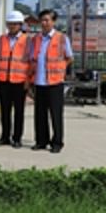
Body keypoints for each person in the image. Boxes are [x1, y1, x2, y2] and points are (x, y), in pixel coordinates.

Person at [30, 9, 73, 153]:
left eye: (47, 20)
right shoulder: (36, 39)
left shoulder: (61, 38)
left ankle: (57, 142)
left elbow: (69, 57)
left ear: (53, 22)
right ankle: (41, 141)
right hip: (39, 81)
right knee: (40, 114)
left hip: (55, 82)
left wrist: (60, 69)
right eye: (42, 20)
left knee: (55, 114)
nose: (44, 23)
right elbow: (32, 59)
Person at [0, 11, 30, 148]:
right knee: (4, 110)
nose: (12, 26)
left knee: (19, 112)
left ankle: (17, 138)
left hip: (20, 81)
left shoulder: (28, 40)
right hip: (3, 80)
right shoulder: (1, 39)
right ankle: (5, 136)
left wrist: (28, 80)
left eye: (15, 24)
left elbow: (31, 61)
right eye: (10, 24)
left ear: (20, 25)